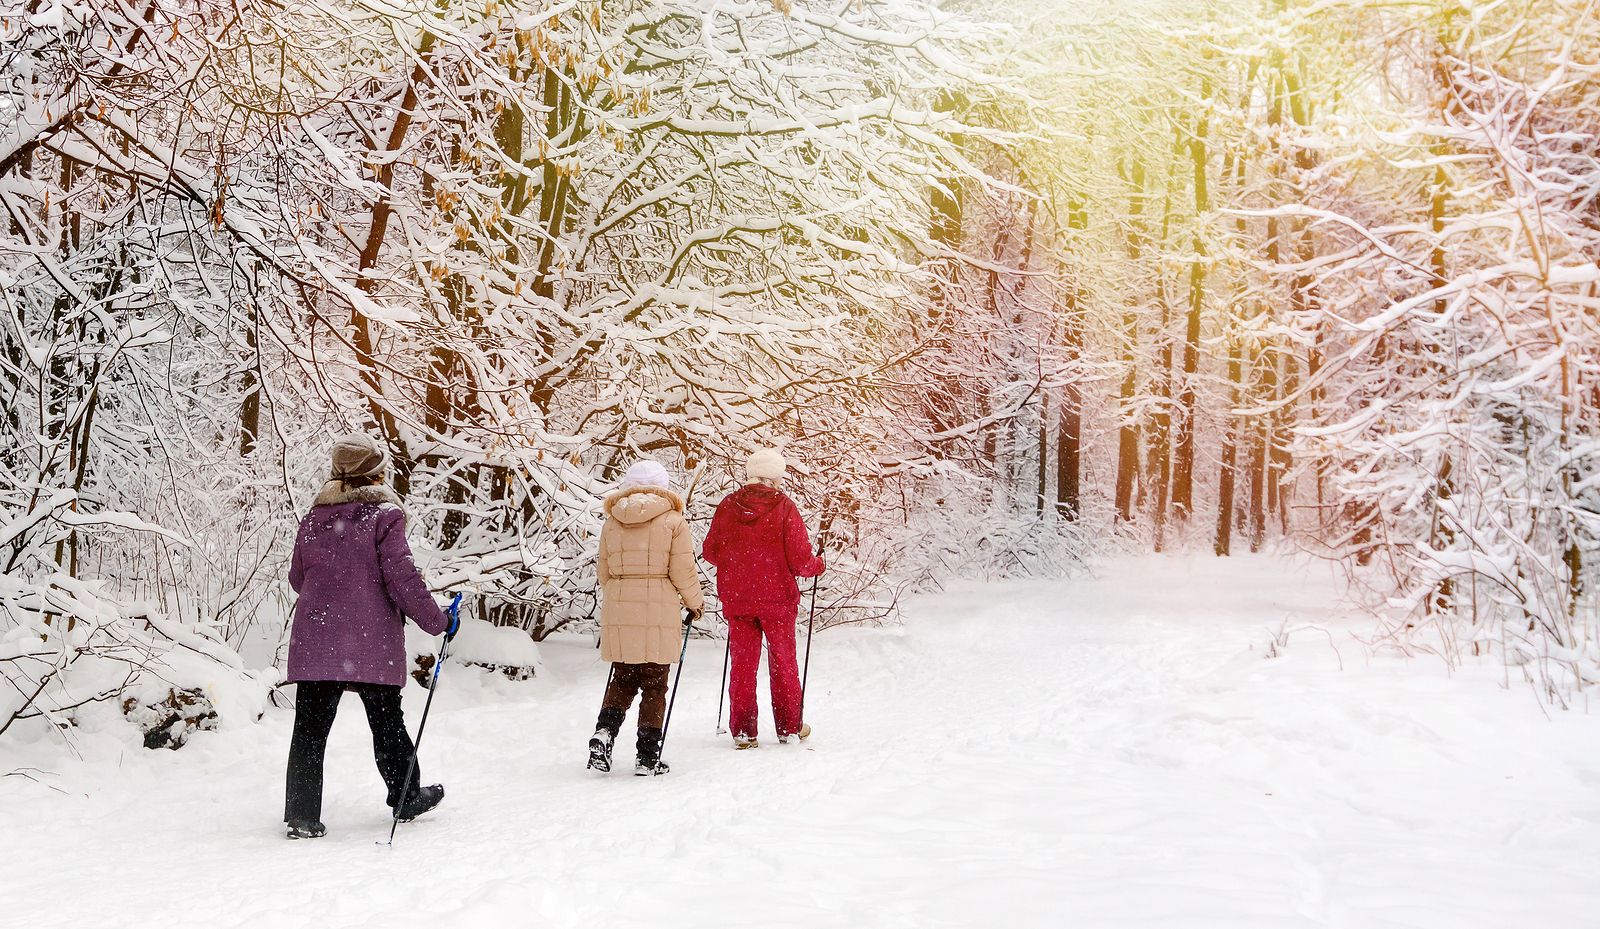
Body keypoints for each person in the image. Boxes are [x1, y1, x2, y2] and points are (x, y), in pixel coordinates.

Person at [282, 433, 458, 839]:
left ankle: (302, 815)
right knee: (386, 721)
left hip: (317, 640)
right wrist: (439, 621)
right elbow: (402, 578)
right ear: (374, 473)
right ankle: (405, 796)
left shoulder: (312, 519)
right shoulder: (384, 517)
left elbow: (297, 579)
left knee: (309, 728)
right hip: (369, 641)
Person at [588, 460, 706, 776]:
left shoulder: (611, 522)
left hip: (620, 606)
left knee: (623, 678)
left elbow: (604, 572)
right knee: (654, 684)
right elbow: (683, 570)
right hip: (659, 609)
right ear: (662, 485)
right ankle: (647, 757)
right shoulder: (673, 521)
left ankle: (605, 732)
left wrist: (621, 596)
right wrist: (695, 603)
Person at [702, 447, 825, 749]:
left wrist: (739, 564)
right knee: (783, 662)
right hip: (777, 599)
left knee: (743, 665)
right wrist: (817, 564)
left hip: (738, 598)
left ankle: (744, 731)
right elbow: (799, 559)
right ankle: (789, 727)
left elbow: (710, 551)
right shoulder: (784, 507)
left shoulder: (728, 505)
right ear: (776, 477)